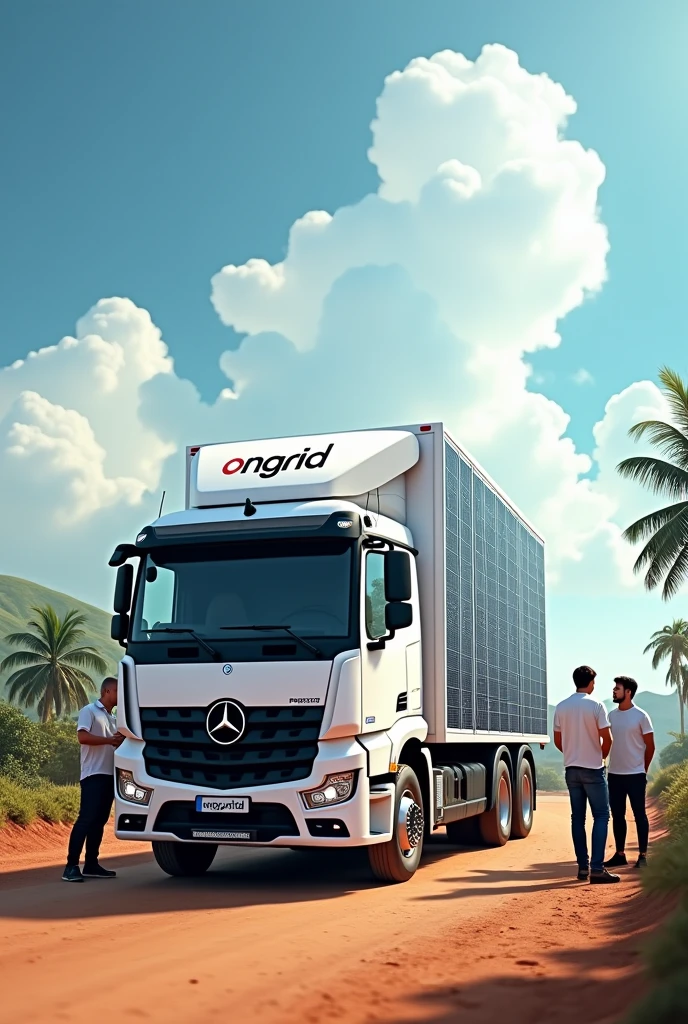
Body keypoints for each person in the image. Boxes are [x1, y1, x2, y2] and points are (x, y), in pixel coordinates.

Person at [553, 665, 620, 884]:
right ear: (590, 683)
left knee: (577, 819)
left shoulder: (561, 707)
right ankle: (597, 869)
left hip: (571, 770)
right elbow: (607, 738)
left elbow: (558, 740)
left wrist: (572, 754)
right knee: (601, 816)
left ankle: (583, 868)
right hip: (593, 769)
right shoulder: (596, 705)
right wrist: (600, 757)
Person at [63, 677, 124, 882]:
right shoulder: (89, 711)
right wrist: (109, 740)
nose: (119, 695)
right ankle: (71, 866)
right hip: (92, 774)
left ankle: (91, 864)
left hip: (109, 775)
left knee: (99, 821)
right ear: (106, 691)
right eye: (117, 691)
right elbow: (83, 737)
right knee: (86, 819)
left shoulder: (113, 717)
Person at [604, 676, 655, 870]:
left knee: (640, 815)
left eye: (617, 688)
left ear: (628, 692)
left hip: (635, 775)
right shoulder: (611, 716)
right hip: (615, 775)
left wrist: (643, 769)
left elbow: (650, 746)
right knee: (617, 815)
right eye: (614, 688)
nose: (614, 691)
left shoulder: (641, 716)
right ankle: (620, 854)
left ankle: (642, 856)